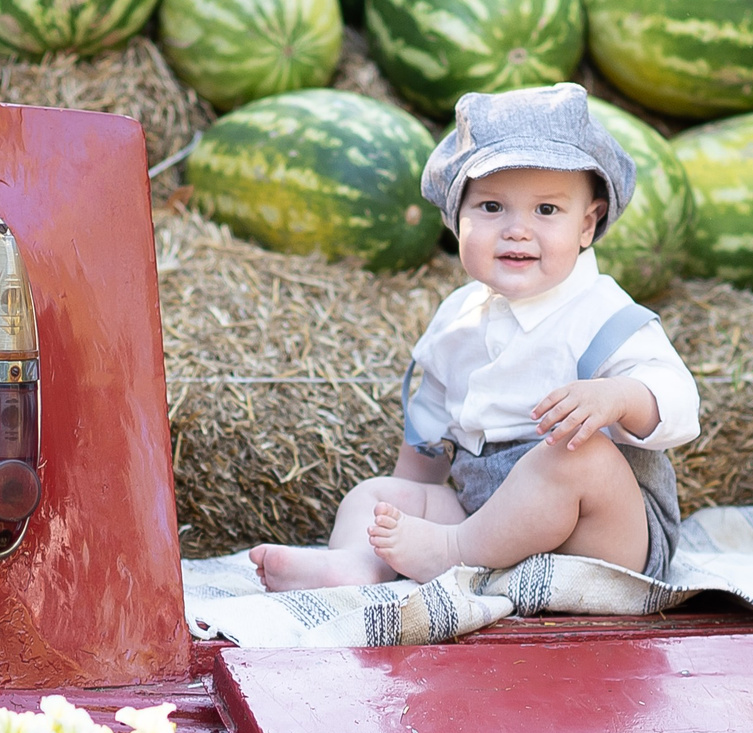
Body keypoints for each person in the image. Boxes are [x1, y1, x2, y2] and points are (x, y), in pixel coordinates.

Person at [251, 83, 699, 590]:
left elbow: (681, 405)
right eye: (490, 207)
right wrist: (407, 506)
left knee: (579, 458)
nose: (516, 230)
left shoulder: (604, 313)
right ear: (455, 219)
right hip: (483, 508)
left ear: (587, 225)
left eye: (546, 211)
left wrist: (618, 397)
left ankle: (452, 553)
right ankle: (357, 567)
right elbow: (427, 435)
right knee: (378, 495)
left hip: (602, 534)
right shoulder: (457, 319)